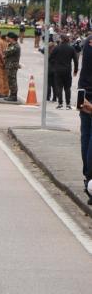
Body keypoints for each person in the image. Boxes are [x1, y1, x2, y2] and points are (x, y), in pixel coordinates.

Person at [76, 33, 92, 204]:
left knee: (85, 137)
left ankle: (88, 178)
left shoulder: (87, 41)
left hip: (84, 94)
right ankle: (90, 179)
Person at [50, 33, 79, 109]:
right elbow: (76, 60)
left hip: (58, 70)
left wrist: (55, 65)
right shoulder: (71, 48)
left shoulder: (57, 48)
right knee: (67, 87)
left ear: (61, 39)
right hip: (67, 70)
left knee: (59, 87)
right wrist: (75, 70)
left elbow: (50, 58)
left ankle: (60, 103)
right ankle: (68, 104)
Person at [4, 32, 21, 102]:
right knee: (10, 80)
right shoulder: (11, 45)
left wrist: (5, 51)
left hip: (12, 66)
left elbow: (6, 52)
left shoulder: (15, 46)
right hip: (9, 65)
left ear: (11, 38)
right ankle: (11, 95)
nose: (6, 38)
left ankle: (14, 96)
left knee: (12, 80)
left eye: (7, 37)